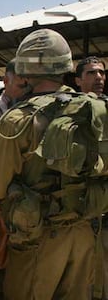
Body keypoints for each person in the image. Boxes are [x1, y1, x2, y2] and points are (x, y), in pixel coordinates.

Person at [0, 28, 105, 300]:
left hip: (37, 238)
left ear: (25, 69)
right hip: (86, 233)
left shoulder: (17, 119)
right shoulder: (94, 109)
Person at [75, 56, 108, 300]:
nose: (99, 78)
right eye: (91, 73)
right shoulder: (73, 112)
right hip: (81, 205)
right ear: (78, 80)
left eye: (102, 73)